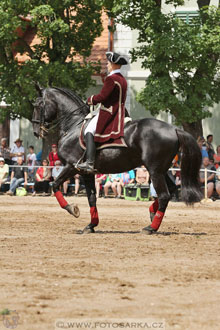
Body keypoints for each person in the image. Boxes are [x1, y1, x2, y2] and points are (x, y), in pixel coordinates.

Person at [77, 51, 128, 173]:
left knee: (89, 130)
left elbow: (102, 97)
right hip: (121, 111)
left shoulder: (111, 79)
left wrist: (90, 100)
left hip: (109, 112)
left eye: (109, 63)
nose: (107, 65)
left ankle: (89, 162)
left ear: (114, 64)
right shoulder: (122, 79)